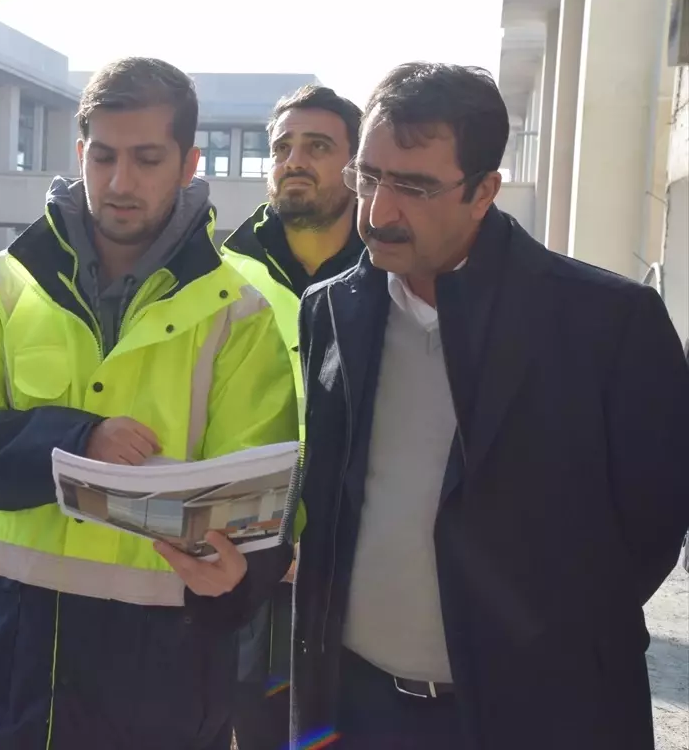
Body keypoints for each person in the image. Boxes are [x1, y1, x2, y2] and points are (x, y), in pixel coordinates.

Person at [289, 62, 689, 749]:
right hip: (359, 712)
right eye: (369, 177)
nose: (378, 213)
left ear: (484, 192)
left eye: (414, 187)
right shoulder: (331, 309)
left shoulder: (608, 323)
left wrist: (549, 639)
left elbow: (654, 524)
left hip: (538, 717)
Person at [0, 57, 301, 750]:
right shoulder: (2, 286)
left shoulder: (238, 317)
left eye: (147, 159)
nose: (121, 182)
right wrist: (71, 441)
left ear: (188, 164)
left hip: (158, 682)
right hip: (8, 672)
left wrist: (240, 578)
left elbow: (262, 504)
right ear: (81, 154)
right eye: (104, 157)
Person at [220, 84, 365, 750]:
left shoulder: (391, 268)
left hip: (357, 570)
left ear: (356, 164)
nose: (294, 161)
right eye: (282, 147)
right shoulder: (219, 275)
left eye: (318, 146)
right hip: (249, 565)